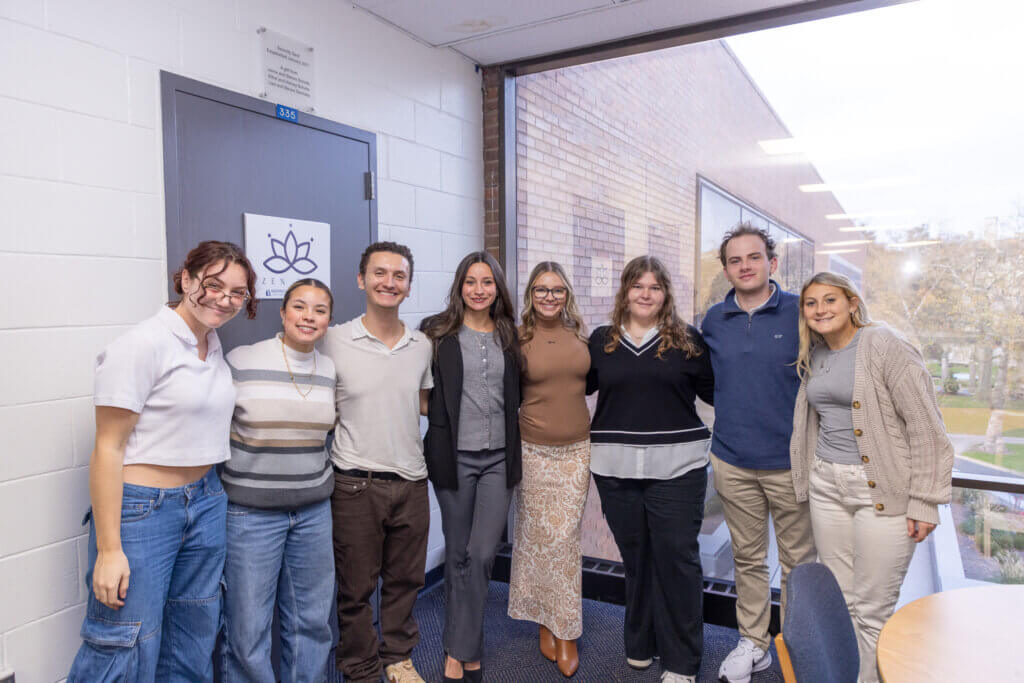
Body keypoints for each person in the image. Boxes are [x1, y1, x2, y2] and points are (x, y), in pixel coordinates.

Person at [68, 241, 257, 681]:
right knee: (124, 639)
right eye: (213, 285)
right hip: (143, 510)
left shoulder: (212, 345)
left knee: (193, 633)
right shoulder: (142, 344)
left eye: (237, 292)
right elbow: (107, 448)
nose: (224, 299)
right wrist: (109, 550)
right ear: (186, 279)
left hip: (206, 500)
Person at [790, 271, 954, 683]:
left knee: (873, 610)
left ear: (852, 303)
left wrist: (925, 500)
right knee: (840, 603)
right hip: (827, 486)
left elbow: (926, 427)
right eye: (811, 303)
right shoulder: (816, 354)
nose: (820, 309)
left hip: (878, 489)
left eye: (830, 300)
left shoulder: (884, 344)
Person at [586, 255, 715, 683]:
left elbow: (716, 394)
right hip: (614, 467)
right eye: (637, 286)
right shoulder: (601, 341)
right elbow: (574, 386)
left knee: (677, 559)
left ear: (665, 294)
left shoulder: (688, 341)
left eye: (654, 287)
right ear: (625, 291)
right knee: (636, 557)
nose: (645, 294)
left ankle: (682, 660)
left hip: (678, 467)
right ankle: (641, 641)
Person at [700, 224, 817, 683]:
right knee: (748, 559)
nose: (744, 266)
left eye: (753, 257)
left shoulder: (800, 313)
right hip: (732, 460)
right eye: (735, 260)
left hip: (789, 463)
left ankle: (796, 646)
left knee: (798, 565)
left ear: (772, 263)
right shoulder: (713, 320)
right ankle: (753, 643)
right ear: (726, 269)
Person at [321, 241, 434, 683]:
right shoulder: (333, 340)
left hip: (412, 481)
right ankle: (360, 668)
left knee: (406, 582)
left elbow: (421, 404)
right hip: (354, 484)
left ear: (408, 285)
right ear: (361, 280)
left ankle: (398, 658)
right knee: (355, 589)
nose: (389, 282)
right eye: (380, 273)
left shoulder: (422, 345)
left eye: (399, 275)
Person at [219, 278, 337, 681]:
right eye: (300, 307)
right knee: (248, 629)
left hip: (313, 513)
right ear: (283, 312)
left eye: (320, 310)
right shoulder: (241, 361)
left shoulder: (329, 369)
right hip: (250, 516)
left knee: (312, 623)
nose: (309, 317)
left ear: (328, 320)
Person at [420, 251, 522, 683]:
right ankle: (464, 649)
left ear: (497, 288)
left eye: (487, 282)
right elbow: (419, 392)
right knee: (458, 552)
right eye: (471, 281)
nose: (479, 290)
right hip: (453, 457)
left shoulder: (510, 335)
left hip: (499, 457)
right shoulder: (437, 332)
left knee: (481, 554)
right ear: (460, 286)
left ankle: (460, 647)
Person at [507, 261, 591, 678]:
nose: (549, 296)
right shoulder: (517, 338)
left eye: (557, 290)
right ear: (530, 295)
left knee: (564, 541)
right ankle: (545, 618)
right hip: (533, 452)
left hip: (577, 452)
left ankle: (567, 630)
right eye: (541, 289)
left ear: (566, 294)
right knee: (537, 540)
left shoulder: (582, 334)